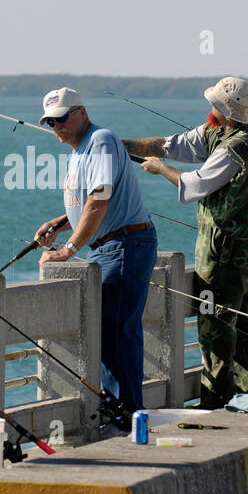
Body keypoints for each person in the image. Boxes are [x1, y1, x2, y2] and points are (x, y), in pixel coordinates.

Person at [123, 76, 248, 409]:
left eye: (216, 105)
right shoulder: (218, 133)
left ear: (227, 112)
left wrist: (161, 170)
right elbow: (169, 144)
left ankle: (216, 398)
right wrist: (123, 145)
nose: (210, 109)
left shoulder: (237, 146)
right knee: (243, 315)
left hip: (229, 249)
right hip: (246, 245)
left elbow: (195, 185)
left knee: (215, 319)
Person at [33, 88, 157, 425]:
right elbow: (89, 200)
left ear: (81, 113)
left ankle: (126, 412)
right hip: (109, 245)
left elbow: (100, 198)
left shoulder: (100, 140)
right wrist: (60, 224)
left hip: (125, 244)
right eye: (49, 123)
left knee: (116, 330)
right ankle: (121, 409)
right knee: (110, 328)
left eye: (61, 118)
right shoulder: (78, 150)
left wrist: (67, 250)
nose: (56, 127)